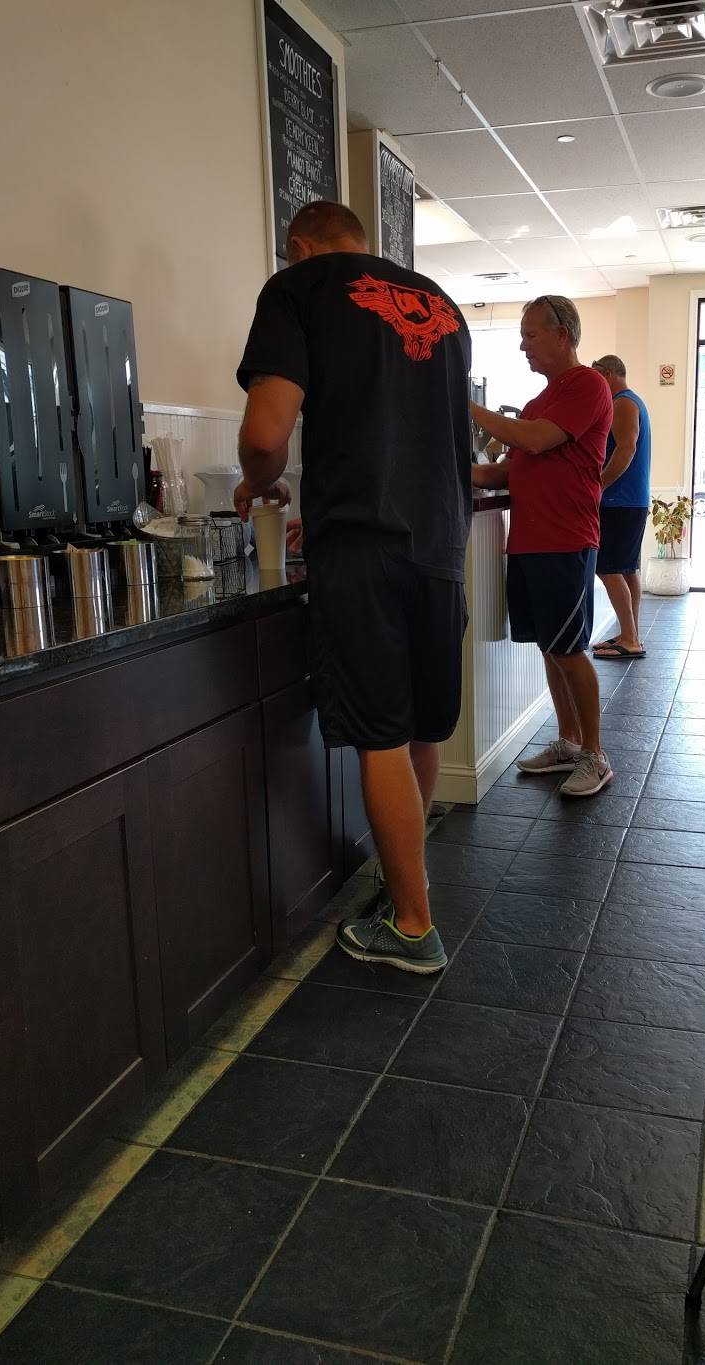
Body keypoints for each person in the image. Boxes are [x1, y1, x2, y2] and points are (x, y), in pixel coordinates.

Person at [234, 200, 472, 974]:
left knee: (378, 733)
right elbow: (415, 436)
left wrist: (257, 480)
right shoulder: (442, 304)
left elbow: (266, 433)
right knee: (420, 728)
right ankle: (407, 888)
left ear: (299, 245)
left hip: (365, 548)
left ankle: (413, 925)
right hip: (441, 542)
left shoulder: (297, 288)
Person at [471, 295, 613, 798]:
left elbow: (533, 440)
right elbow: (504, 473)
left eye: (531, 335)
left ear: (562, 335)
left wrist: (465, 406)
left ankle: (595, 755)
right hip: (528, 542)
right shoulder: (536, 403)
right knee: (551, 649)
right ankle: (569, 742)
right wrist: (452, 470)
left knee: (570, 650)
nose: (523, 346)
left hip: (565, 540)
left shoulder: (589, 386)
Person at [589, 354, 651, 661]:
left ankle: (630, 638)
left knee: (608, 567)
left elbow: (626, 449)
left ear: (608, 374)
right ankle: (630, 633)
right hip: (629, 501)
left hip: (619, 501)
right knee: (626, 569)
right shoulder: (631, 401)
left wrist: (598, 486)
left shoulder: (623, 403)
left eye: (596, 376)